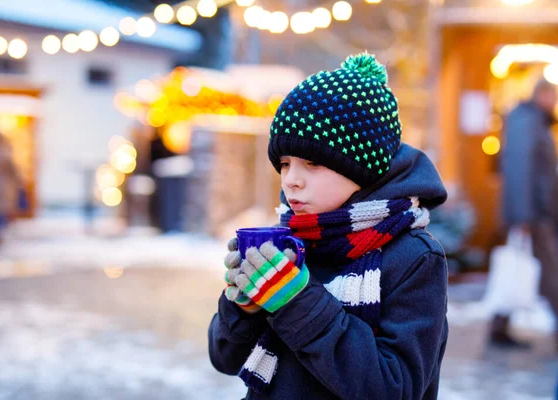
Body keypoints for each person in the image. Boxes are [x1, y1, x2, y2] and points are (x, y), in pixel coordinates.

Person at [208, 54, 449, 399]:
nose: (291, 180)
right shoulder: (290, 242)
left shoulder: (414, 258)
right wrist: (242, 307)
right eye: (285, 163)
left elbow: (394, 387)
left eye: (312, 163)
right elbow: (224, 359)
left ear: (360, 167)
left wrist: (294, 301)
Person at [493, 78, 558, 349]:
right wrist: (522, 217)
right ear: (542, 95)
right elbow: (520, 169)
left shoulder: (532, 120)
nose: (555, 102)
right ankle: (499, 326)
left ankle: (499, 325)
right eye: (553, 96)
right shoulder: (527, 120)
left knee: (526, 268)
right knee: (549, 272)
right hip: (532, 214)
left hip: (534, 212)